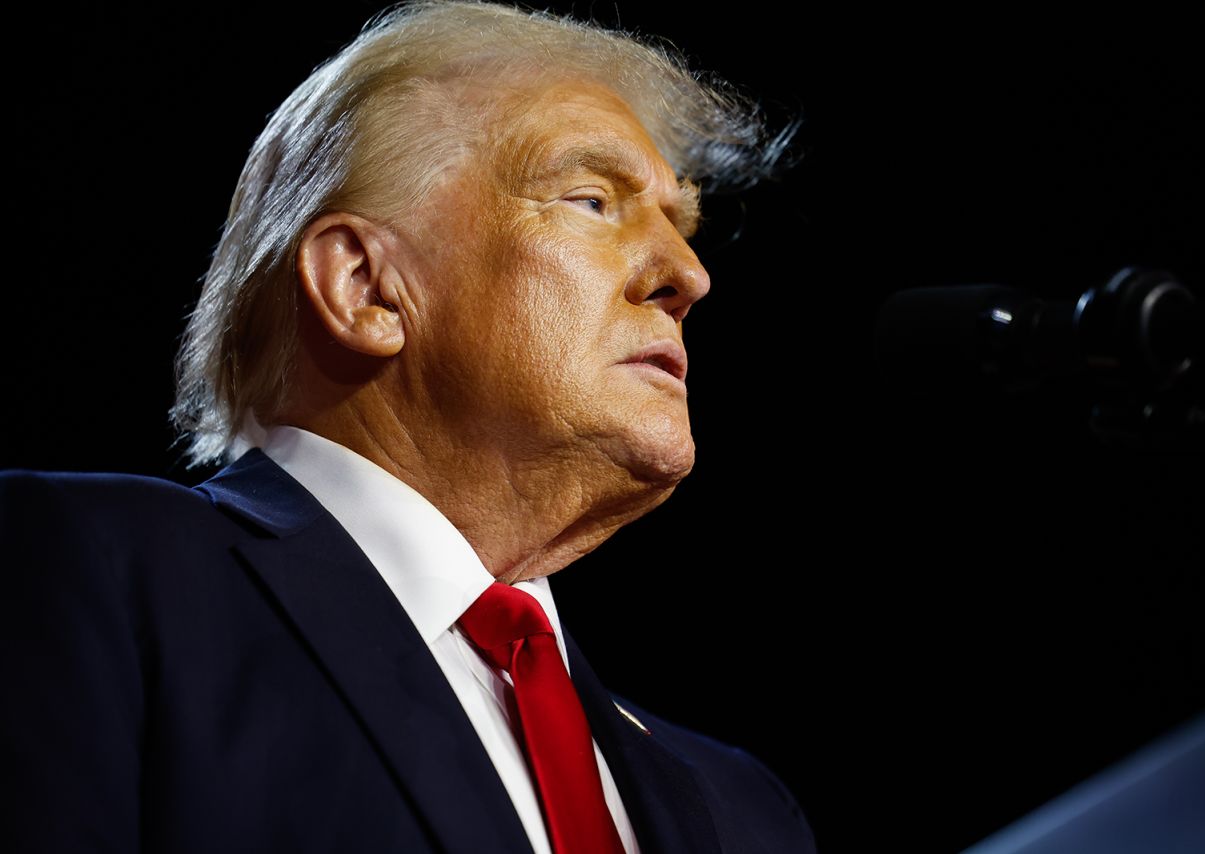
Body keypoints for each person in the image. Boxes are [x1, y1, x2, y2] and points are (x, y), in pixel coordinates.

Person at [1, 2, 813, 851]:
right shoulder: (82, 569)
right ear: (365, 287)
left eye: (680, 226)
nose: (688, 275)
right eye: (591, 200)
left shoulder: (745, 810)